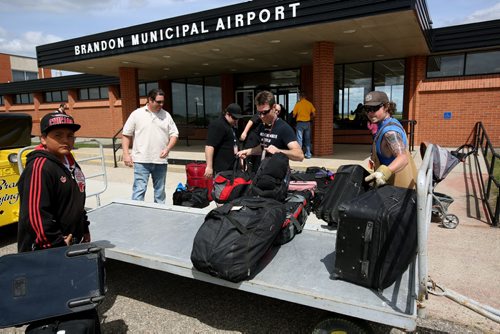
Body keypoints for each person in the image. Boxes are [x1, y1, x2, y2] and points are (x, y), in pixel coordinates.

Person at [17, 112, 102, 332]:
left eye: (70, 135)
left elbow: (75, 199)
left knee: (68, 299)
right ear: (43, 139)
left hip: (66, 246)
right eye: (58, 135)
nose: (66, 140)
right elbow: (35, 215)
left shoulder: (68, 162)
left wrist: (83, 226)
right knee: (48, 305)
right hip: (48, 250)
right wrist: (54, 246)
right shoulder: (40, 167)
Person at [122, 88, 179, 204]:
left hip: (160, 161)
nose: (161, 104)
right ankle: (136, 217)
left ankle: (159, 217)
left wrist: (167, 148)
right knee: (139, 191)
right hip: (141, 160)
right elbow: (126, 134)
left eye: (163, 102)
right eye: (158, 102)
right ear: (150, 100)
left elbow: (174, 134)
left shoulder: (166, 115)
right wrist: (126, 154)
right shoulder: (137, 114)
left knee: (160, 193)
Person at [363, 91, 417, 189]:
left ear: (386, 107)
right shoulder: (385, 124)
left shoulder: (390, 132)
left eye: (374, 108)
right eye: (367, 109)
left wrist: (383, 173)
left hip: (397, 189)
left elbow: (403, 158)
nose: (370, 113)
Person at [237, 90, 304, 165]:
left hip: (277, 174)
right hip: (262, 172)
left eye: (265, 112)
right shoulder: (262, 125)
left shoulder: (283, 128)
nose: (262, 116)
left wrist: (278, 151)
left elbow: (300, 155)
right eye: (259, 112)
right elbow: (263, 148)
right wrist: (248, 152)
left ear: (274, 107)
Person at [204, 103, 244, 178]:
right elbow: (210, 146)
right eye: (234, 118)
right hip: (222, 170)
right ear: (227, 114)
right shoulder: (218, 125)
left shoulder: (232, 127)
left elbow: (235, 145)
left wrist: (240, 162)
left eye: (238, 119)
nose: (236, 121)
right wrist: (209, 167)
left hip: (233, 168)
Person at [292, 92, 316, 159]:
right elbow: (314, 114)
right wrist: (309, 118)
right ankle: (308, 154)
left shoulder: (298, 104)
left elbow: (293, 115)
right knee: (307, 139)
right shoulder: (309, 104)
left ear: (300, 97)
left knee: (299, 139)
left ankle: (300, 154)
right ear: (305, 97)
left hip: (300, 123)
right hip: (308, 123)